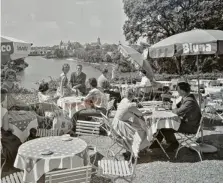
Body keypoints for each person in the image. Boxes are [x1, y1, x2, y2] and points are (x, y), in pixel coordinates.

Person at [150, 81, 202, 151]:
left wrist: (173, 105)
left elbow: (177, 111)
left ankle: (174, 143)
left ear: (183, 91)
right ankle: (157, 143)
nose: (177, 91)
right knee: (163, 124)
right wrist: (171, 105)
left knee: (166, 126)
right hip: (187, 122)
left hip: (191, 126)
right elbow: (177, 107)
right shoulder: (186, 98)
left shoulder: (190, 101)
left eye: (178, 90)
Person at [112, 88, 150, 153]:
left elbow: (132, 111)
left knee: (136, 125)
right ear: (133, 96)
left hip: (116, 123)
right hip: (121, 126)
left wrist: (139, 111)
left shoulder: (123, 100)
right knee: (142, 130)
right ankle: (137, 148)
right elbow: (139, 114)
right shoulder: (130, 105)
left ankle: (133, 148)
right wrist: (146, 112)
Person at [1, 88, 22, 166]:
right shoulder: (3, 110)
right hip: (2, 135)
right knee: (16, 141)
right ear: (3, 97)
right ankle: (14, 163)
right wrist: (11, 129)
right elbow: (6, 128)